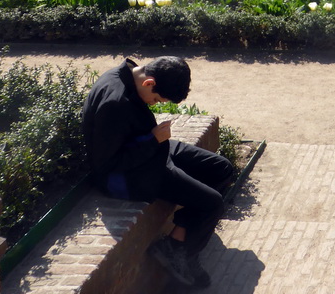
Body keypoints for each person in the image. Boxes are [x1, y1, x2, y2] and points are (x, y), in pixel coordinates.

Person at [81, 57, 234, 289]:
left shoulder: (128, 74)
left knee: (221, 169)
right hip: (131, 175)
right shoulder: (115, 102)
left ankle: (176, 242)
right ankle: (184, 256)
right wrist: (153, 140)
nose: (155, 104)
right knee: (213, 203)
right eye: (156, 99)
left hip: (152, 150)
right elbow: (107, 164)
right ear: (148, 82)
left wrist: (154, 141)